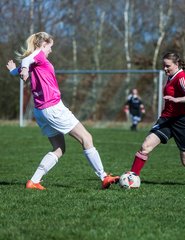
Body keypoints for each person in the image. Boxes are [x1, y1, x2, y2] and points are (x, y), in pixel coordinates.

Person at [6, 32, 119, 190]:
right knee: (86, 138)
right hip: (53, 108)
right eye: (50, 47)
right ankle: (104, 177)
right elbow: (25, 62)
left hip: (40, 111)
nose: (51, 50)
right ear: (43, 45)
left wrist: (14, 71)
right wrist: (23, 69)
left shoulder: (34, 61)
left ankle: (34, 181)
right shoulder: (38, 56)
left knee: (59, 148)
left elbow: (22, 68)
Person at [128, 52, 185, 185]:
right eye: (163, 65)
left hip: (184, 121)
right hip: (167, 120)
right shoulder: (170, 76)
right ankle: (132, 177)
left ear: (177, 64)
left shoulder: (181, 78)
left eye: (167, 65)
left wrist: (177, 99)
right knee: (145, 146)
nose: (164, 68)